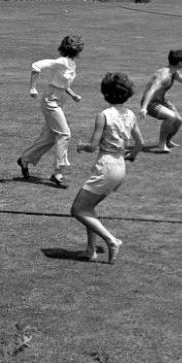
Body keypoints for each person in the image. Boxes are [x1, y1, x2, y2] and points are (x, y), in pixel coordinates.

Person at [70, 72, 143, 264]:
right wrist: (132, 156)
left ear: (105, 93)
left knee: (77, 209)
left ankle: (112, 241)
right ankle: (90, 250)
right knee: (89, 207)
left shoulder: (103, 115)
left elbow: (93, 146)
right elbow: (139, 143)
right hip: (120, 167)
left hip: (106, 167)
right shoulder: (130, 115)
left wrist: (81, 147)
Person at [17, 35, 83, 188]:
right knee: (65, 134)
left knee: (49, 137)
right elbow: (36, 65)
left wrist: (73, 95)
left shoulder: (71, 63)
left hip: (60, 100)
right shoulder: (60, 62)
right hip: (50, 101)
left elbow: (63, 83)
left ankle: (25, 159)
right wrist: (33, 87)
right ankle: (57, 172)